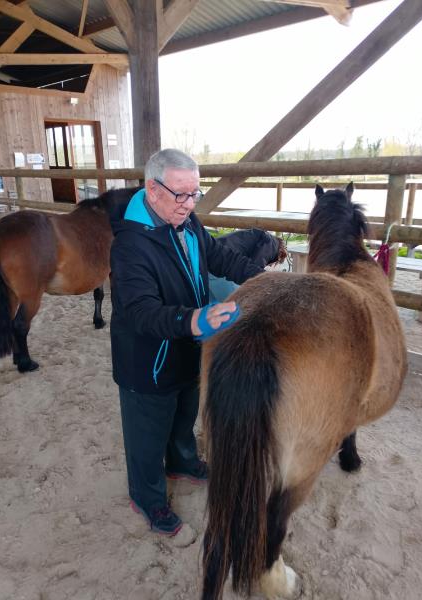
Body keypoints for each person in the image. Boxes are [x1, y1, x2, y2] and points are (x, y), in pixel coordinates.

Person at [109, 148, 264, 536]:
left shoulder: (187, 220)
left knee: (183, 412)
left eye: (195, 193)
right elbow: (140, 312)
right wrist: (194, 319)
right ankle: (148, 499)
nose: (190, 203)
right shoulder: (130, 245)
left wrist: (263, 280)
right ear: (153, 189)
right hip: (147, 363)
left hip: (187, 347)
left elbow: (219, 255)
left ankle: (181, 462)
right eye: (181, 194)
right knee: (147, 436)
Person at [209, 228, 288, 302]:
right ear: (279, 255)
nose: (270, 265)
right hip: (221, 264)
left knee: (210, 307)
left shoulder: (258, 236)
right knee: (237, 305)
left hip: (208, 259)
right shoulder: (271, 243)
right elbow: (253, 272)